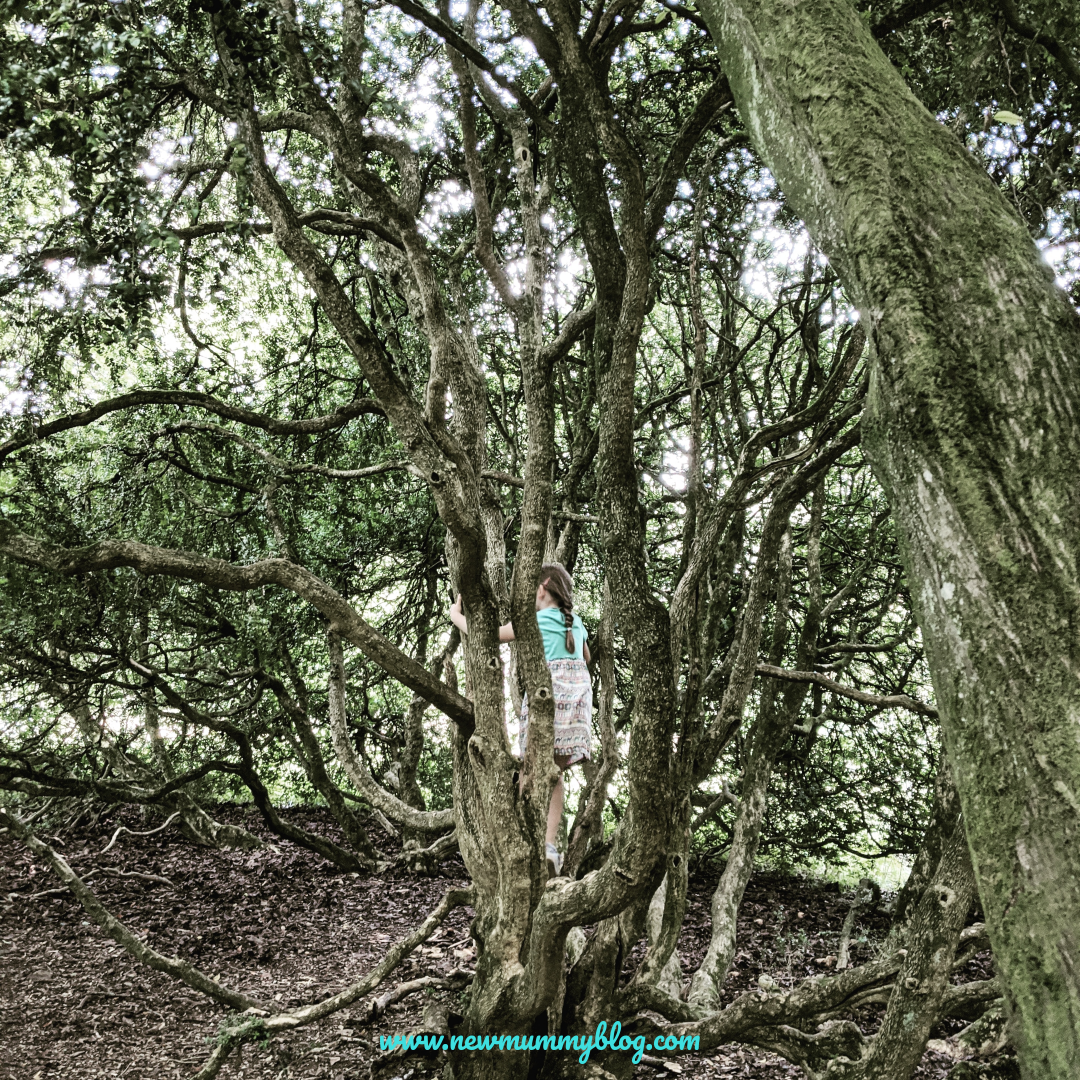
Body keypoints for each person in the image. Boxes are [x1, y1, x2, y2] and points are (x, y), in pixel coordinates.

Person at [448, 563, 592, 877]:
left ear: (541, 589)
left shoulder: (537, 619)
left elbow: (489, 636)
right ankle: (548, 846)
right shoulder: (575, 622)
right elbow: (587, 657)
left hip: (549, 702)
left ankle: (528, 839)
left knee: (530, 767)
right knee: (554, 774)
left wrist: (455, 616)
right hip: (577, 709)